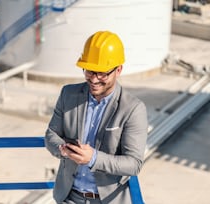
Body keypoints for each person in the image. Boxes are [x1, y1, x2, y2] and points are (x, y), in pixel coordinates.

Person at [45, 30, 148, 204]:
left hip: (107, 200)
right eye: (89, 71)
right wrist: (62, 149)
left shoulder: (133, 109)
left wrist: (93, 158)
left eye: (102, 73)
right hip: (69, 196)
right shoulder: (68, 94)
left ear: (119, 70)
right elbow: (50, 135)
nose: (94, 79)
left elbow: (133, 164)